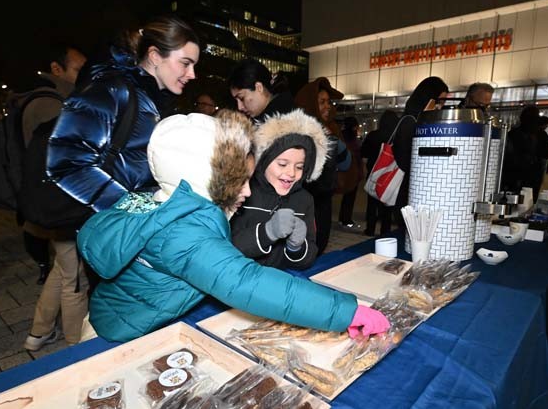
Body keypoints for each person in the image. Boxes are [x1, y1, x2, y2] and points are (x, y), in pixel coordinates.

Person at [76, 110, 390, 342]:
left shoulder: (169, 203)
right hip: (116, 336)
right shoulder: (183, 232)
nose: (248, 190)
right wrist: (346, 312)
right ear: (208, 180)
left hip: (119, 320)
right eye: (239, 181)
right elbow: (246, 282)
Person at [46, 15, 200, 293]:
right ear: (155, 55)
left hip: (139, 233)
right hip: (112, 232)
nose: (192, 75)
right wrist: (132, 210)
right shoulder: (109, 88)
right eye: (186, 63)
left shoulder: (157, 99)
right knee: (115, 317)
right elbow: (66, 163)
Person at [21, 44, 90, 351]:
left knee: (62, 270)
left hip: (50, 206)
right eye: (78, 69)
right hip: (62, 208)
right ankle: (77, 349)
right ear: (57, 69)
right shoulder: (55, 106)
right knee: (74, 280)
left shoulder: (49, 101)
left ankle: (39, 331)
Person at [231, 109, 326, 270]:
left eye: (299, 167)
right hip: (239, 279)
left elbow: (308, 259)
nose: (291, 173)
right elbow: (225, 249)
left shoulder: (304, 200)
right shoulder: (244, 193)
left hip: (280, 281)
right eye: (282, 164)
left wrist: (297, 248)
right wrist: (266, 232)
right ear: (263, 161)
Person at [294, 77, 351, 254]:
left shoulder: (331, 129)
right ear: (311, 104)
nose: (328, 106)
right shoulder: (297, 133)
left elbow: (346, 164)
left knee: (320, 246)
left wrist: (333, 142)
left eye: (328, 102)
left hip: (324, 203)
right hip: (302, 206)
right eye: (322, 102)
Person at [392, 76, 449, 210]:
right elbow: (406, 161)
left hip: (416, 189)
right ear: (427, 98)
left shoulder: (425, 122)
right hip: (407, 190)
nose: (440, 107)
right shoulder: (411, 121)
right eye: (439, 101)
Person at [502, 106, 548, 202]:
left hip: (512, 173)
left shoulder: (513, 133)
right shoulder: (541, 134)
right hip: (532, 173)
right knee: (529, 200)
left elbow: (505, 154)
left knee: (511, 199)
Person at [361, 110, 399, 236]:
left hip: (373, 173)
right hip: (389, 175)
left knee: (372, 204)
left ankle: (370, 229)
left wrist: (365, 169)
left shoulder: (373, 135)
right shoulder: (396, 136)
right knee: (386, 205)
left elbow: (364, 155)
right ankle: (385, 231)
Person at [229, 59, 295, 123]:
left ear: (259, 88)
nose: (239, 107)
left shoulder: (282, 124)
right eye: (236, 101)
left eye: (242, 98)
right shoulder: (286, 114)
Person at [337, 116, 364, 231]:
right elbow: (358, 155)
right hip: (353, 171)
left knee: (345, 196)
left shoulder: (340, 135)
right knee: (350, 197)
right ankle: (346, 220)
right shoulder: (353, 139)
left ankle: (342, 219)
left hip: (342, 170)